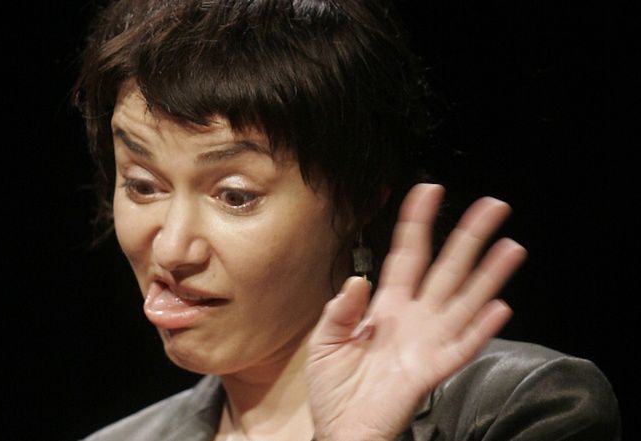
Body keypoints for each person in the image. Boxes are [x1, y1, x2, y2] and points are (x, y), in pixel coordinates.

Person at [73, 1, 621, 440]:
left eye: (235, 196)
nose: (171, 249)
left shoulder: (522, 406)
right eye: (142, 185)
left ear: (358, 197)